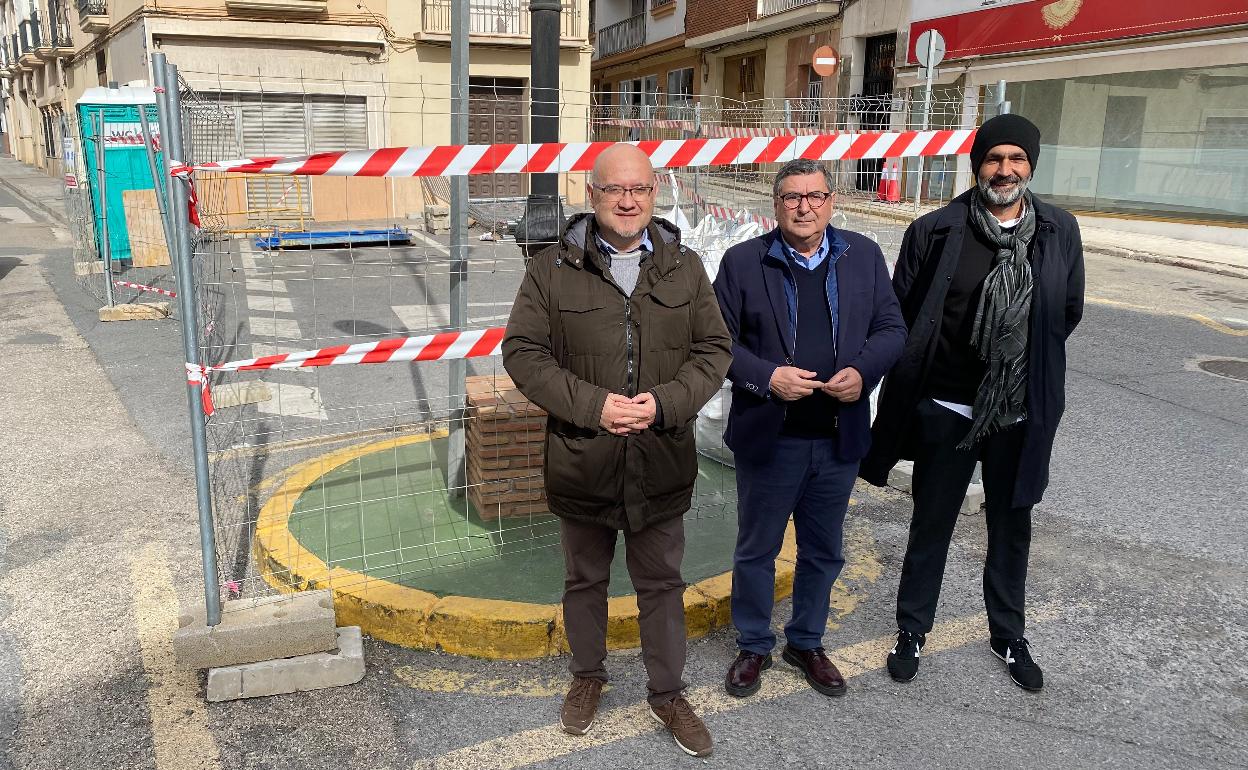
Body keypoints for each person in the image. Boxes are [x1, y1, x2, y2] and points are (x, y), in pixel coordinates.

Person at [502, 144, 731, 756]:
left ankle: (667, 693)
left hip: (661, 458)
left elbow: (714, 350)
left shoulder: (685, 267)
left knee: (661, 582)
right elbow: (523, 353)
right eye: (614, 190)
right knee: (585, 580)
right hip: (585, 458)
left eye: (641, 190)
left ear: (654, 194)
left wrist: (667, 402)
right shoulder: (552, 268)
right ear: (592, 193)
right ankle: (588, 677)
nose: (628, 201)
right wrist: (591, 405)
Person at [860, 113, 1085, 692]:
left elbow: (1066, 312)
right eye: (993, 159)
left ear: (1031, 165)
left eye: (1015, 159)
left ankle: (1008, 635)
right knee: (930, 523)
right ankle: (912, 629)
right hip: (947, 408)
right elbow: (903, 313)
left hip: (1018, 411)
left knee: (1012, 526)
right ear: (975, 164)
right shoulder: (935, 230)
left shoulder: (1059, 230)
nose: (1004, 170)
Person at [712, 158, 906, 699]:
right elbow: (716, 343)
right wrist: (767, 377)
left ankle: (806, 640)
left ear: (831, 201)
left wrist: (864, 373)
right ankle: (753, 645)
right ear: (775, 205)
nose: (804, 206)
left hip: (837, 439)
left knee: (824, 549)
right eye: (793, 197)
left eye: (815, 196)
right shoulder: (744, 262)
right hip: (771, 439)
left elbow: (892, 329)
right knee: (757, 549)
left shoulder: (862, 256)